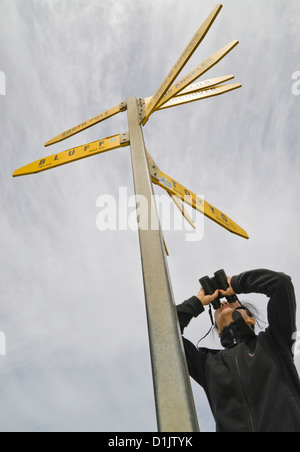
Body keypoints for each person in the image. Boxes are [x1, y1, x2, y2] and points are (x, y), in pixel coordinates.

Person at [177, 269, 300, 432]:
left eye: (233, 301)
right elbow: (165, 334)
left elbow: (280, 283)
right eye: (217, 308)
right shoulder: (207, 364)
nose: (222, 303)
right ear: (219, 332)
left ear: (251, 319)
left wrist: (234, 284)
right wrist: (197, 302)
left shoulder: (275, 341)